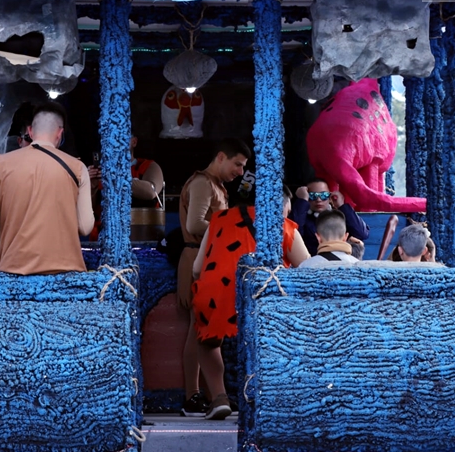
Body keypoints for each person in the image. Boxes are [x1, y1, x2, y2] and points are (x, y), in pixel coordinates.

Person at [191, 186, 309, 419]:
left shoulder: (217, 219)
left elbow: (196, 269)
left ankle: (219, 398)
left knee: (207, 342)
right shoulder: (283, 226)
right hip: (261, 298)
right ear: (282, 205)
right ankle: (265, 398)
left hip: (218, 292)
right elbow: (305, 270)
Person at [178, 138, 250, 417]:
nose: (240, 172)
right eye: (237, 164)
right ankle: (192, 396)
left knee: (201, 329)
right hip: (197, 258)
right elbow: (194, 224)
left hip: (209, 259)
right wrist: (232, 227)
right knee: (199, 330)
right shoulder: (202, 183)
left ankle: (206, 395)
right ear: (221, 156)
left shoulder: (216, 185)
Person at [0, 101, 95, 274]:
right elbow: (85, 227)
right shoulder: (78, 168)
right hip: (65, 274)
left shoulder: (1, 164)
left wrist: (13, 216)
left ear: (30, 131)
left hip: (14, 269)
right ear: (60, 133)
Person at [88, 131, 165, 239]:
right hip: (105, 237)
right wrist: (91, 185)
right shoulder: (101, 171)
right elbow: (85, 211)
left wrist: (116, 177)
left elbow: (150, 191)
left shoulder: (148, 166)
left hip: (141, 234)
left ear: (134, 142)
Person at [289, 178, 369, 255]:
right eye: (313, 195)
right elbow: (293, 235)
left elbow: (362, 234)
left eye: (323, 195)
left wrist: (342, 206)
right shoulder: (302, 217)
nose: (319, 199)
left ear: (329, 197)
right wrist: (302, 201)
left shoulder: (339, 216)